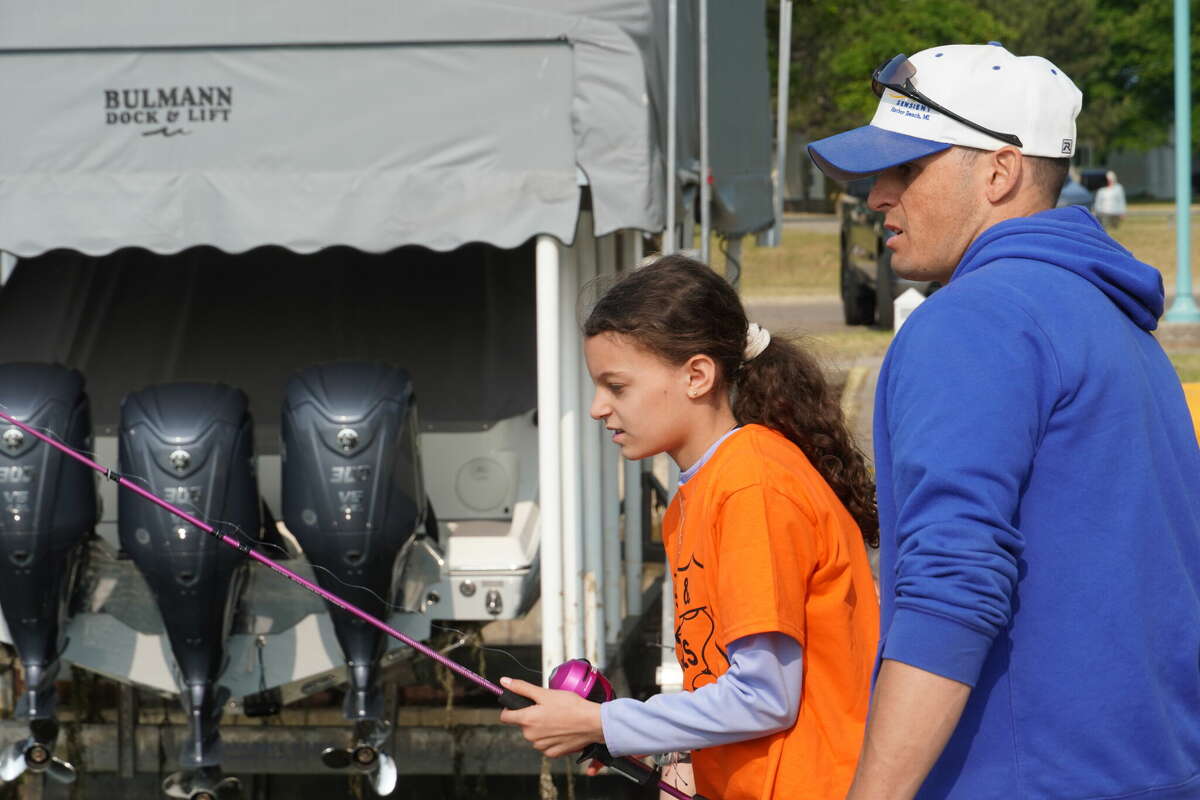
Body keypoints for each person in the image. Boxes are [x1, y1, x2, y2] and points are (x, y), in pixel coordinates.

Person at [808, 43, 1200, 800]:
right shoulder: (1122, 326)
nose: (876, 196)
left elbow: (950, 587)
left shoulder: (972, 319)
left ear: (999, 170)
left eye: (907, 168)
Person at [498, 255, 880, 800]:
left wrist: (603, 724)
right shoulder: (700, 492)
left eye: (616, 386)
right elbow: (717, 674)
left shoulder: (753, 487)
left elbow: (764, 695)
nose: (597, 408)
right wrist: (666, 748)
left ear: (697, 375)